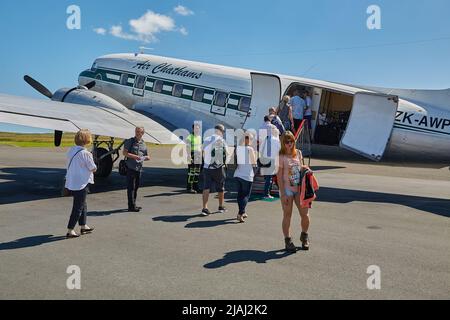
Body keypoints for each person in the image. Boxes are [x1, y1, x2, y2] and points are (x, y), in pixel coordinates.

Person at [277, 131, 310, 252]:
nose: (289, 144)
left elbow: (301, 168)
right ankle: (288, 240)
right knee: (287, 215)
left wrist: (305, 168)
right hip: (287, 189)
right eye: (286, 142)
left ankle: (304, 236)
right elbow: (279, 177)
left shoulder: (298, 153)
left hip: (299, 189)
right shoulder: (281, 156)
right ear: (283, 143)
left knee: (305, 214)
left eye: (291, 141)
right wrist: (283, 194)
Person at [65, 129, 97, 239]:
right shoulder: (86, 153)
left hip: (72, 181)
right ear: (87, 139)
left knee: (83, 204)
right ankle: (70, 230)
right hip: (82, 183)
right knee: (78, 207)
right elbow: (93, 168)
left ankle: (83, 226)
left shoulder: (71, 150)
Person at [201, 124, 229, 216]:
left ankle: (205, 208)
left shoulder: (207, 139)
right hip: (219, 168)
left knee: (206, 187)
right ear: (221, 131)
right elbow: (227, 153)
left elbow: (202, 151)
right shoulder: (222, 141)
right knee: (220, 188)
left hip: (207, 167)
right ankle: (221, 206)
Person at [123, 126, 150, 212]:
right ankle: (131, 206)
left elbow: (146, 155)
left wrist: (146, 158)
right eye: (136, 131)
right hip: (130, 167)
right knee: (131, 187)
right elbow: (124, 153)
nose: (138, 133)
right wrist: (136, 157)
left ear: (143, 133)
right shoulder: (130, 141)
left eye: (139, 132)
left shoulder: (143, 143)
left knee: (136, 187)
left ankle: (133, 204)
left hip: (139, 168)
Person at [233, 132, 257, 222]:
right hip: (247, 175)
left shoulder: (238, 148)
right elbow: (254, 163)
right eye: (251, 139)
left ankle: (242, 212)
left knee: (240, 194)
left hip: (238, 174)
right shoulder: (249, 149)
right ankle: (240, 213)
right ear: (248, 140)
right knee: (246, 195)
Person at [260, 126, 281, 199]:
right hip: (272, 160)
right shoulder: (277, 141)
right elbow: (279, 151)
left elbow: (261, 148)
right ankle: (266, 193)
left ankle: (266, 192)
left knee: (267, 177)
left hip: (264, 159)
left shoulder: (266, 138)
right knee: (269, 178)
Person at [186, 123, 202, 193]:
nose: (197, 130)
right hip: (192, 155)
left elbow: (200, 147)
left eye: (198, 128)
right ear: (193, 129)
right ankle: (189, 188)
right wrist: (189, 156)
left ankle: (196, 187)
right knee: (191, 173)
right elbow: (187, 147)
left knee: (197, 173)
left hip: (198, 155)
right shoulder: (190, 137)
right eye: (196, 128)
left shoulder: (199, 137)